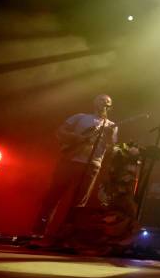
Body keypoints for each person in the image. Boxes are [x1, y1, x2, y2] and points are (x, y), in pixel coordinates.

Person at [34, 94, 118, 239]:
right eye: (101, 100)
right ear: (94, 102)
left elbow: (111, 148)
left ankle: (65, 235)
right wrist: (77, 138)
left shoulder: (111, 126)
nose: (104, 103)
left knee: (79, 202)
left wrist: (110, 136)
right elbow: (60, 132)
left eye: (107, 102)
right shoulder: (80, 117)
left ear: (110, 106)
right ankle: (38, 232)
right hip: (70, 160)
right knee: (54, 196)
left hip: (92, 165)